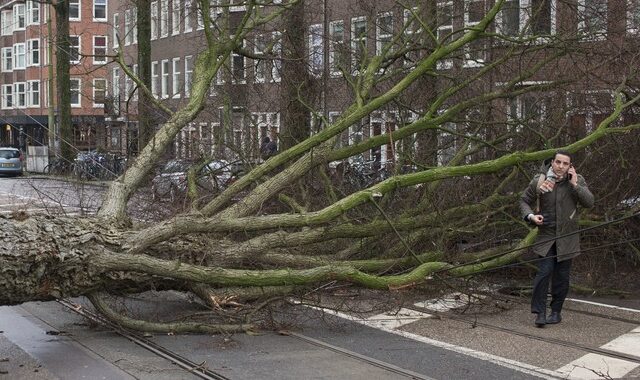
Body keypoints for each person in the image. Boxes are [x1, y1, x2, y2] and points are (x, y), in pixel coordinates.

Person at [520, 150, 594, 327]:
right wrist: (531, 216)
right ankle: (539, 313)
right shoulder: (540, 181)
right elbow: (523, 200)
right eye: (558, 162)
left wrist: (576, 185)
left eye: (565, 163)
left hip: (567, 238)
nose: (561, 166)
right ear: (552, 162)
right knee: (544, 273)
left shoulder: (576, 181)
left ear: (570, 166)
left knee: (562, 277)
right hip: (546, 236)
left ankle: (556, 312)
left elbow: (589, 203)